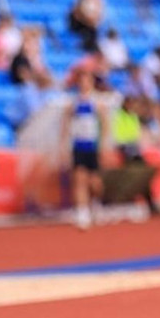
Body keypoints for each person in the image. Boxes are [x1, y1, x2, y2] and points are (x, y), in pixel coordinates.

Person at [62, 70, 108, 230]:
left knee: (95, 182)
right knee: (79, 178)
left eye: (87, 80)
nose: (84, 84)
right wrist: (65, 145)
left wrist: (103, 145)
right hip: (78, 145)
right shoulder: (73, 103)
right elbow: (66, 125)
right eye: (81, 81)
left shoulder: (97, 102)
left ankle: (96, 203)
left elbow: (104, 125)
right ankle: (82, 212)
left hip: (92, 146)